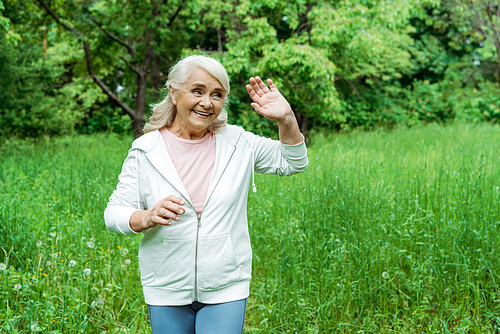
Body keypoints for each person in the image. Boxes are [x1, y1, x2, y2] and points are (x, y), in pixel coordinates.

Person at [104, 55, 308, 334]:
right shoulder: (146, 149)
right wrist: (147, 216)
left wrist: (286, 119)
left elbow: (293, 162)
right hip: (166, 285)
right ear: (174, 93)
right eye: (197, 91)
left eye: (217, 94)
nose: (207, 102)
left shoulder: (238, 142)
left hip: (226, 284)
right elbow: (114, 213)